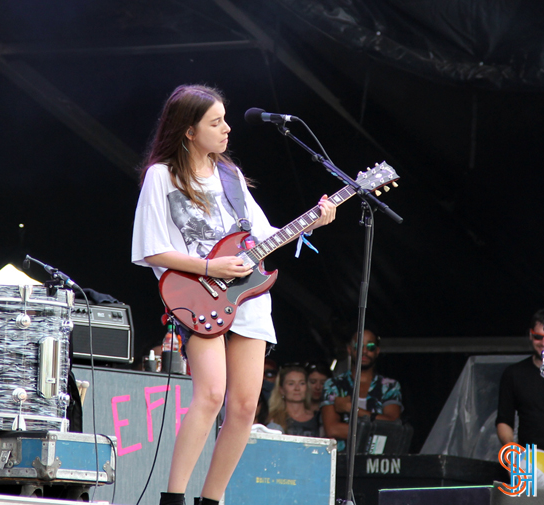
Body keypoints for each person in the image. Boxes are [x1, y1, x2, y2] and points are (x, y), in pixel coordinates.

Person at [131, 84, 336, 505]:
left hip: (248, 295)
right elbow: (151, 247)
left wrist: (311, 222)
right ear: (188, 131)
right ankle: (172, 498)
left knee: (244, 406)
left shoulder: (230, 175)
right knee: (209, 395)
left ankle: (212, 499)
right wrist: (211, 267)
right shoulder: (162, 175)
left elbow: (262, 237)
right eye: (215, 122)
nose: (226, 129)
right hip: (201, 294)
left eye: (225, 119)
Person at [320, 329, 403, 450]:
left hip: (378, 462)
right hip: (343, 460)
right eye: (358, 346)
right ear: (349, 349)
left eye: (370, 347)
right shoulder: (333, 384)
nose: (364, 351)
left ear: (377, 351)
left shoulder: (390, 386)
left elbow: (394, 426)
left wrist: (352, 409)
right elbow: (332, 430)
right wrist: (378, 430)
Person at [496, 309, 544, 449]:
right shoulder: (514, 374)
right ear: (530, 335)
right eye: (538, 337)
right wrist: (512, 448)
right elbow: (504, 420)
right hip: (530, 459)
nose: (543, 342)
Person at [268, 364, 320, 437]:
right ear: (281, 389)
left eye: (302, 383)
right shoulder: (273, 418)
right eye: (291, 384)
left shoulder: (318, 418)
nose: (297, 388)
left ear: (307, 387)